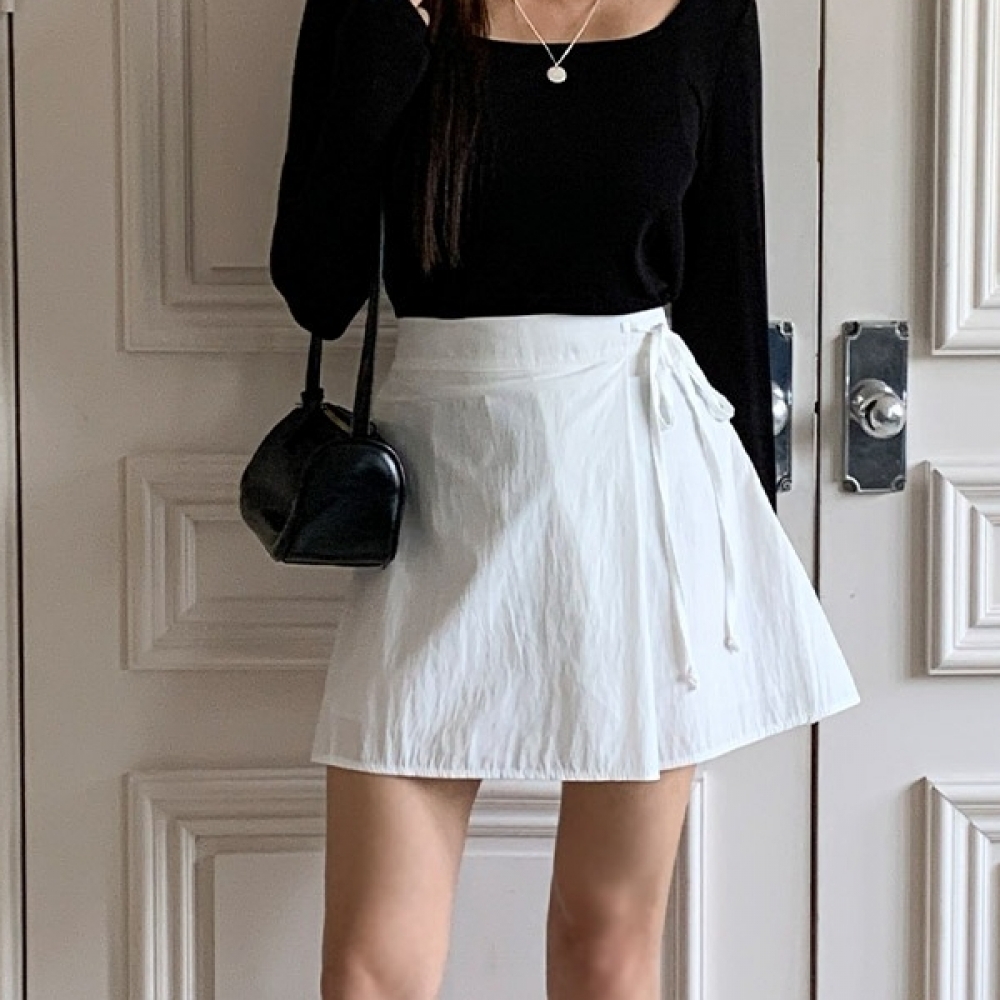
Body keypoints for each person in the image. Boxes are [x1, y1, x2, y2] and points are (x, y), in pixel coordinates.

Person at [267, 0, 862, 996]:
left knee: (606, 941)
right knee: (371, 963)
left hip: (641, 481)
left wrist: (748, 550)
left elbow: (727, 281)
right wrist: (386, 48)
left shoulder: (710, 10)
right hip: (442, 491)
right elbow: (317, 288)